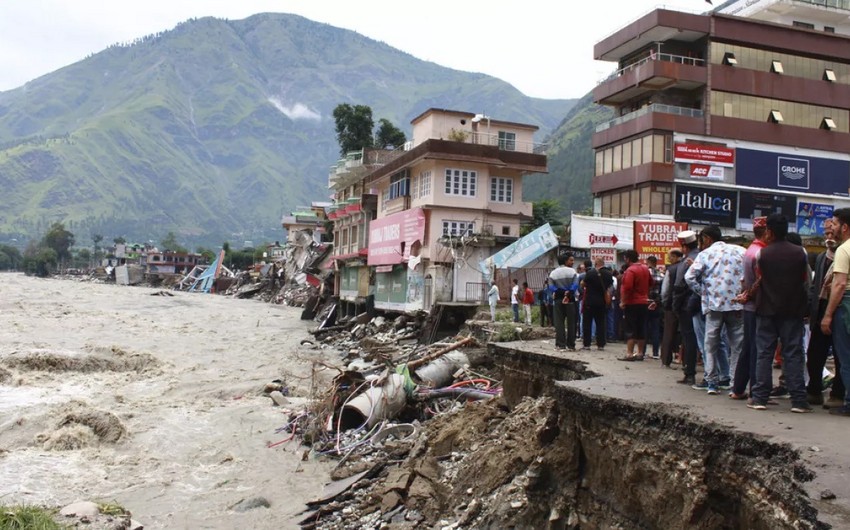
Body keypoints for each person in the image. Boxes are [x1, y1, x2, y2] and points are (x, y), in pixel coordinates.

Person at [748, 213, 811, 413]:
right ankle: (799, 401)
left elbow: (758, 280)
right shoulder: (800, 252)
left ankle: (760, 398)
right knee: (793, 354)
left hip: (766, 309)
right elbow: (806, 282)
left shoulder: (762, 254)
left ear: (770, 231)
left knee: (764, 353)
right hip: (793, 310)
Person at [685, 225, 744, 395]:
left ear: (708, 239)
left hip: (713, 305)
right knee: (737, 346)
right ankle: (734, 384)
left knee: (710, 345)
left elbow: (689, 277)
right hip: (735, 304)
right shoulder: (740, 250)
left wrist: (703, 291)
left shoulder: (705, 254)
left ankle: (712, 383)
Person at [806, 218, 845, 406]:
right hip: (821, 310)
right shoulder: (822, 258)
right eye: (827, 234)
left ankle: (838, 394)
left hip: (840, 310)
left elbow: (839, 284)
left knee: (841, 355)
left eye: (832, 232)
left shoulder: (844, 254)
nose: (829, 237)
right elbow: (815, 287)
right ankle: (814, 390)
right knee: (815, 354)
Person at [730, 217, 768, 401]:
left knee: (748, 347)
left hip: (750, 306)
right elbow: (761, 281)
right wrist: (749, 295)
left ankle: (738, 388)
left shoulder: (751, 250)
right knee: (756, 349)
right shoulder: (760, 253)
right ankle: (755, 390)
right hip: (757, 306)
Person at [821, 208, 850, 416]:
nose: (833, 228)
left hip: (846, 306)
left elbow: (839, 285)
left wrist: (828, 314)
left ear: (845, 227)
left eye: (836, 224)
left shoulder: (844, 250)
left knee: (846, 357)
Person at [673, 230, 701, 385]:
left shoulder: (687, 262)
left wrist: (675, 306)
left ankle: (689, 372)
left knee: (689, 339)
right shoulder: (703, 257)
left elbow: (678, 286)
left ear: (684, 247)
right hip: (705, 304)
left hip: (687, 305)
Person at [618, 249, 652, 361]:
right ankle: (640, 353)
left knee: (630, 328)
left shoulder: (630, 271)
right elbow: (651, 283)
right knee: (641, 328)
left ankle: (629, 353)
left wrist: (623, 301)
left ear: (627, 259)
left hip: (632, 302)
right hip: (644, 302)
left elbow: (627, 288)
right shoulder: (646, 269)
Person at [581, 257, 613, 351]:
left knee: (587, 323)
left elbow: (583, 284)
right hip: (602, 302)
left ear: (596, 264)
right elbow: (610, 286)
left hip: (589, 301)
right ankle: (601, 344)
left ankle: (587, 344)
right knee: (601, 323)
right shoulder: (608, 274)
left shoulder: (590, 273)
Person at [549, 253, 579, 351]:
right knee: (571, 323)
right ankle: (571, 345)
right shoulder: (572, 271)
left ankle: (560, 345)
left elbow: (551, 287)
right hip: (570, 299)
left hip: (558, 299)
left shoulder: (553, 273)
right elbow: (575, 285)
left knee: (559, 322)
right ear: (566, 261)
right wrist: (569, 292)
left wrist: (560, 292)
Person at [660, 249, 683, 367]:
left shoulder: (671, 270)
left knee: (668, 332)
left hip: (671, 304)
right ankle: (686, 361)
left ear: (674, 257)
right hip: (685, 305)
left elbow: (665, 289)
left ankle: (666, 359)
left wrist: (664, 302)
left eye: (670, 257)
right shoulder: (687, 266)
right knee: (686, 334)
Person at [645, 256, 664, 359]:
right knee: (655, 328)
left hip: (645, 302)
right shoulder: (661, 275)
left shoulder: (645, 273)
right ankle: (656, 353)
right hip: (656, 303)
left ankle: (642, 352)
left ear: (648, 262)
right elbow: (663, 291)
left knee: (644, 327)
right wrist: (658, 302)